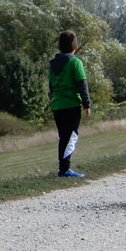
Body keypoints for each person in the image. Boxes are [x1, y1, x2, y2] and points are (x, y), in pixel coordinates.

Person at [49, 30, 92, 178]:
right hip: (71, 104)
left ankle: (63, 167)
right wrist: (87, 104)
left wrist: (53, 99)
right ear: (75, 47)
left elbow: (51, 86)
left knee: (64, 137)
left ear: (59, 47)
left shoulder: (52, 64)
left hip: (57, 105)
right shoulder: (75, 62)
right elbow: (82, 84)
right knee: (71, 136)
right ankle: (65, 169)